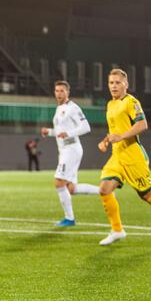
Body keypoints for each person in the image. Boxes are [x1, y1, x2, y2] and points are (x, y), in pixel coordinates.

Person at [97, 68, 151, 246]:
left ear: (126, 84)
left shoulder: (131, 102)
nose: (114, 86)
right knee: (104, 189)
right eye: (111, 83)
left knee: (146, 195)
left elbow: (142, 124)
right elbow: (114, 131)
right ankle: (117, 230)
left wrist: (120, 137)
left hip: (133, 155)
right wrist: (106, 140)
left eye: (118, 82)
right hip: (117, 156)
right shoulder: (110, 104)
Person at [40, 80, 99, 226]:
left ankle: (69, 219)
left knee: (59, 182)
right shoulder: (58, 109)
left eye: (62, 91)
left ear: (68, 92)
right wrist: (49, 132)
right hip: (65, 150)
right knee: (71, 188)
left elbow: (86, 127)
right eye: (57, 91)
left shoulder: (73, 108)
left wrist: (69, 133)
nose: (59, 94)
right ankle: (104, 191)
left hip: (71, 149)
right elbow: (61, 133)